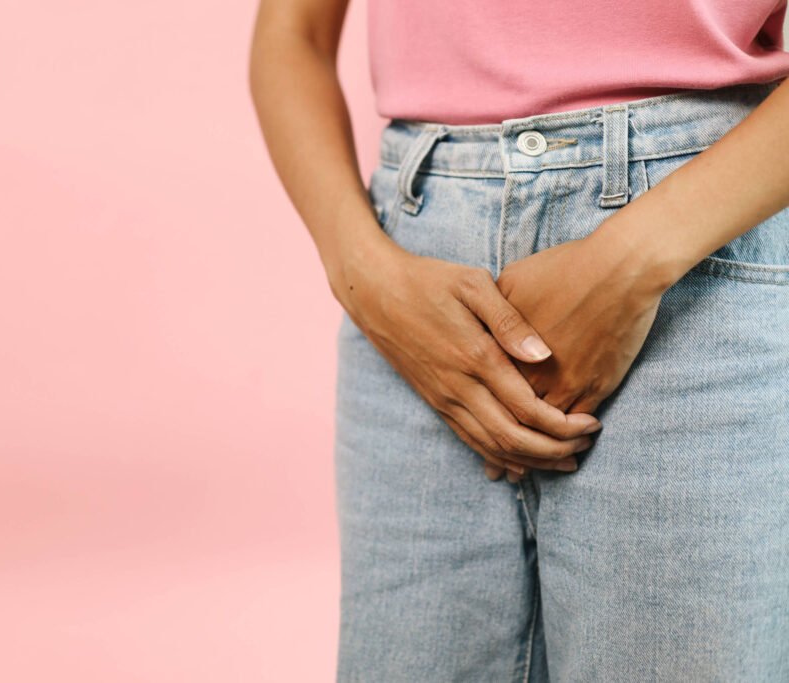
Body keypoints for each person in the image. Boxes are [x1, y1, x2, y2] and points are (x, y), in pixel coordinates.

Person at [248, 0, 789, 680]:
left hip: (697, 247)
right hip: (413, 272)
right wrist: (361, 271)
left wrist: (632, 260)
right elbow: (291, 33)